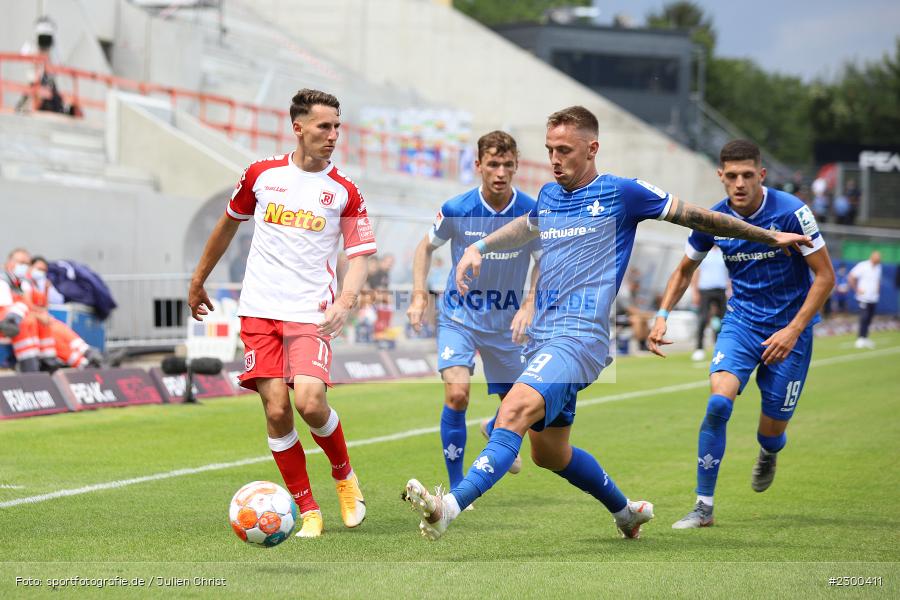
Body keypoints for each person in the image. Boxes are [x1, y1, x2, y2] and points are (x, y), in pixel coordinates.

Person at [402, 109, 812, 541]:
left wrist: (767, 235)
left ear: (592, 148)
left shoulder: (622, 193)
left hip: (580, 339)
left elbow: (695, 216)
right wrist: (479, 247)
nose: (554, 159)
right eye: (550, 150)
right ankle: (626, 512)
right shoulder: (549, 195)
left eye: (564, 150)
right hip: (542, 339)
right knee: (550, 454)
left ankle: (448, 507)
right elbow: (526, 226)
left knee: (512, 412)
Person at [188, 89, 376, 539]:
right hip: (259, 310)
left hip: (311, 313)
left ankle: (345, 476)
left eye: (337, 127)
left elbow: (360, 256)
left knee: (309, 401)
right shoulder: (261, 175)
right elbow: (226, 225)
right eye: (324, 126)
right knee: (276, 412)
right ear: (298, 127)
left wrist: (345, 301)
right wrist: (198, 279)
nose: (333, 135)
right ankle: (307, 510)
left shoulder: (345, 191)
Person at [648, 139, 835, 529]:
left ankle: (769, 452)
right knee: (718, 404)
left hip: (791, 331)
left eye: (747, 175)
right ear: (721, 176)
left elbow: (825, 277)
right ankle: (703, 507)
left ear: (761, 175)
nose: (739, 183)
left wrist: (793, 330)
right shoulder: (712, 219)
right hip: (742, 324)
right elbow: (684, 270)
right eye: (731, 176)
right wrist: (662, 314)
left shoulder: (792, 212)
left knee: (771, 432)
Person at [406, 130, 541, 493]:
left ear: (517, 166)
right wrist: (419, 295)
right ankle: (456, 486)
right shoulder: (457, 209)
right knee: (457, 394)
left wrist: (529, 304)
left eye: (508, 165)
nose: (501, 173)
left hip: (506, 322)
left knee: (525, 405)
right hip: (459, 317)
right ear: (479, 165)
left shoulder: (532, 211)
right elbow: (424, 248)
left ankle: (495, 426)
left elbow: (543, 261)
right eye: (493, 164)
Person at [20, 256, 103, 370]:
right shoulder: (24, 284)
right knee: (55, 336)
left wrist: (46, 291)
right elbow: (27, 306)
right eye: (38, 269)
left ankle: (85, 352)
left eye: (43, 270)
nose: (41, 272)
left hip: (41, 321)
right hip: (33, 323)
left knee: (61, 329)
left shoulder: (40, 285)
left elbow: (45, 306)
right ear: (30, 267)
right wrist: (40, 315)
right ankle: (82, 361)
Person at [0, 248, 41, 372]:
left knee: (35, 321)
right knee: (22, 311)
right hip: (6, 326)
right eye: (21, 262)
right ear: (10, 263)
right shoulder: (2, 281)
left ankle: (38, 366)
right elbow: (4, 309)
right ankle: (30, 368)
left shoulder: (21, 284)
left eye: (27, 264)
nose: (24, 266)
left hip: (12, 327)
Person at [690, 245, 729, 361]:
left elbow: (729, 273)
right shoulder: (703, 251)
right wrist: (694, 292)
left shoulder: (724, 252)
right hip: (705, 290)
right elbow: (696, 273)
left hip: (721, 290)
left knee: (722, 320)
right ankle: (699, 348)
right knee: (703, 319)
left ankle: (719, 347)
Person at [849, 251, 882, 349]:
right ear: (872, 257)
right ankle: (860, 338)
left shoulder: (878, 267)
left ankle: (865, 337)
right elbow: (851, 276)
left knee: (869, 318)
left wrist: (877, 291)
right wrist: (856, 289)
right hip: (863, 297)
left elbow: (877, 280)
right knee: (864, 317)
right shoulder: (863, 265)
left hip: (873, 298)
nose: (878, 260)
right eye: (877, 258)